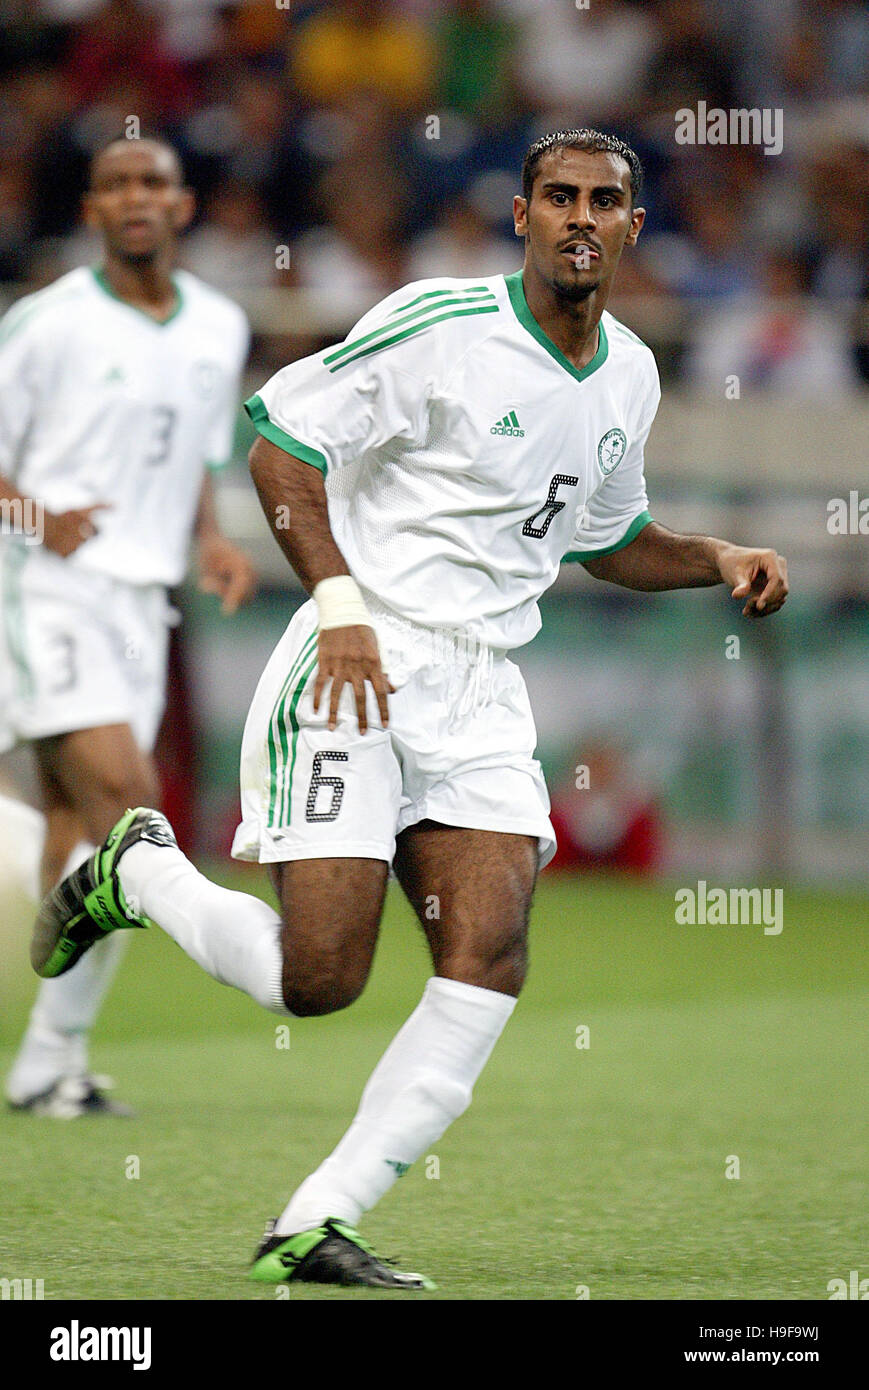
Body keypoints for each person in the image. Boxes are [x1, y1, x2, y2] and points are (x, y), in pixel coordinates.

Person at [31, 129, 788, 1286]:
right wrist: (336, 602)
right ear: (523, 216)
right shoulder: (441, 325)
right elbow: (280, 443)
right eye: (557, 199)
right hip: (360, 656)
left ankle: (312, 1222)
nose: (580, 219)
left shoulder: (628, 374)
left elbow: (606, 540)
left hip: (483, 687)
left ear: (633, 227)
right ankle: (136, 872)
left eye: (604, 202)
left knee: (486, 956)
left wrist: (715, 554)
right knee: (317, 978)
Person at [1, 136, 255, 1118]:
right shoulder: (47, 322)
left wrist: (214, 539)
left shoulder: (220, 325)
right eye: (115, 185)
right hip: (52, 587)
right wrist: (40, 518)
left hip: (145, 606)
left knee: (74, 842)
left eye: (152, 182)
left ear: (182, 204)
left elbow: (196, 452)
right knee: (128, 806)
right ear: (94, 210)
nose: (135, 198)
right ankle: (256, 959)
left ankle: (46, 1059)